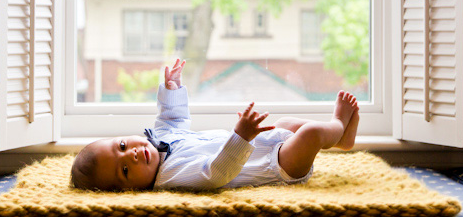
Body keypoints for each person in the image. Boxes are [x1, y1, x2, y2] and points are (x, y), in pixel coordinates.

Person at [70, 58, 360, 191]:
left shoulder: (158, 143)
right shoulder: (171, 177)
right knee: (310, 133)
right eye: (124, 170)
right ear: (130, 192)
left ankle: (339, 139)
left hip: (267, 146)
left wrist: (172, 90)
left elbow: (173, 120)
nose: (130, 155)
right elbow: (216, 173)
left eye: (121, 146)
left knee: (286, 124)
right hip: (277, 167)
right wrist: (241, 138)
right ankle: (336, 126)